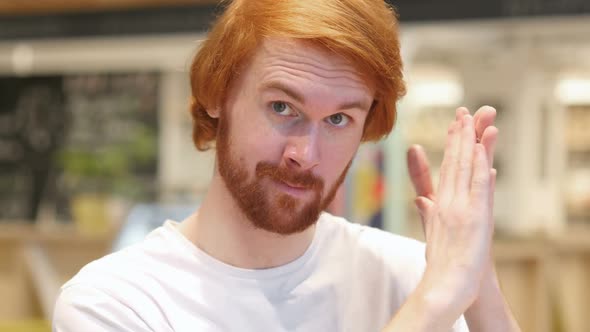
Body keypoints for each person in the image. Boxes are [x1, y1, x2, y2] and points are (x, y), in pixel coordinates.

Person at [53, 0, 521, 331]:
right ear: (218, 93)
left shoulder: (404, 272)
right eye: (282, 107)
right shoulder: (114, 302)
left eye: (339, 118)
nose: (306, 153)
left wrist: (478, 284)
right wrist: (433, 305)